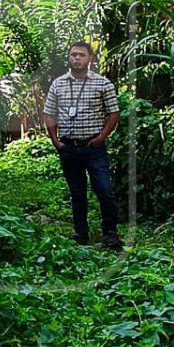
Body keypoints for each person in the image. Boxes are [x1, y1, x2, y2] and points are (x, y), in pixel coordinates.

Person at [42, 42, 121, 248]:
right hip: (69, 147)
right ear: (68, 58)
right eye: (73, 55)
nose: (76, 58)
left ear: (90, 58)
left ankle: (111, 234)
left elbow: (114, 113)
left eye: (81, 55)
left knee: (104, 190)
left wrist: (102, 137)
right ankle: (80, 234)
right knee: (77, 192)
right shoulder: (58, 84)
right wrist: (56, 141)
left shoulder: (103, 84)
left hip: (93, 147)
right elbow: (49, 114)